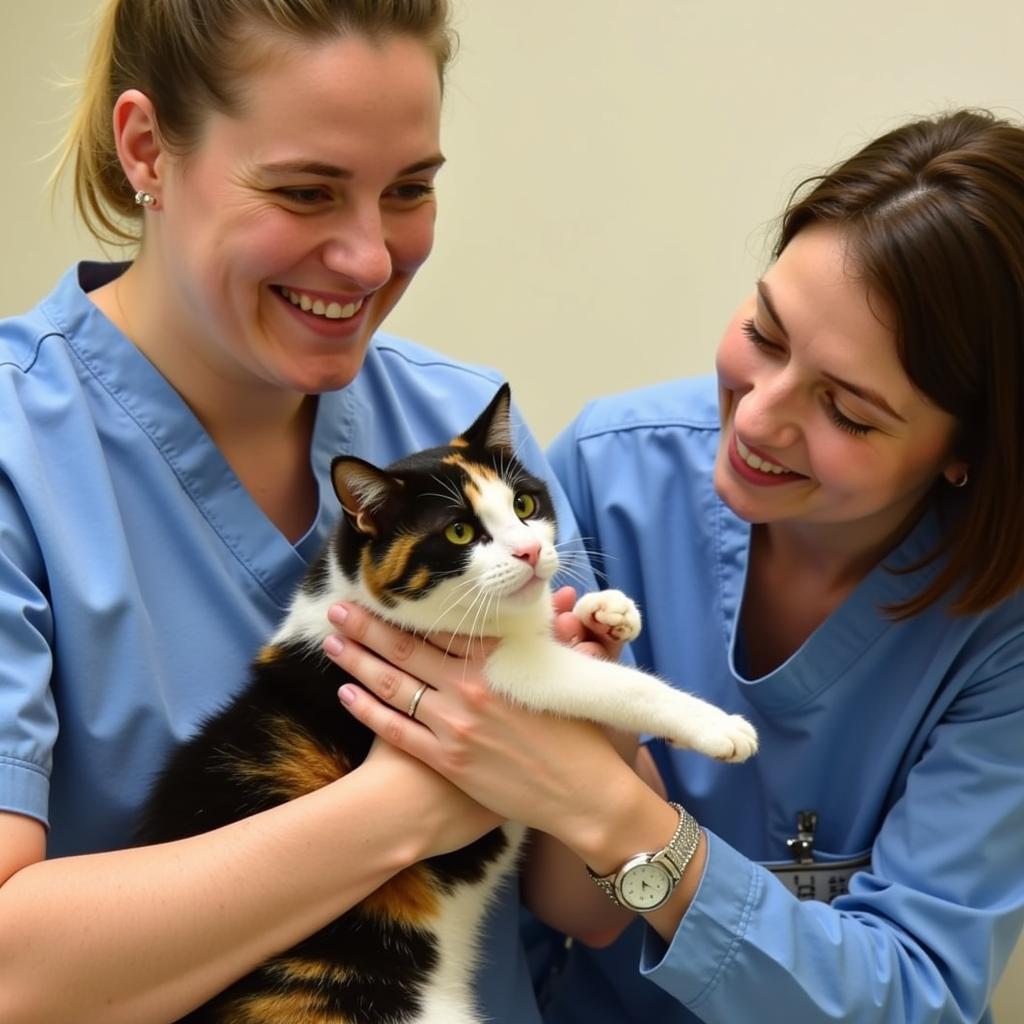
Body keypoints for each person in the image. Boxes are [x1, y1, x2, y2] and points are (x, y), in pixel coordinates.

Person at [328, 108, 1024, 1023]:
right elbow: (513, 921)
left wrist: (621, 821)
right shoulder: (610, 471)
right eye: (766, 335)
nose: (758, 419)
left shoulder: (1000, 631)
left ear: (965, 450)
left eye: (848, 411)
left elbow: (914, 997)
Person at [0, 2, 595, 1021]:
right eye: (305, 191)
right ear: (146, 147)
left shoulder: (460, 425)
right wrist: (408, 804)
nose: (368, 259)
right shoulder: (22, 453)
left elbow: (584, 903)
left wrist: (595, 757)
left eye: (408, 190)